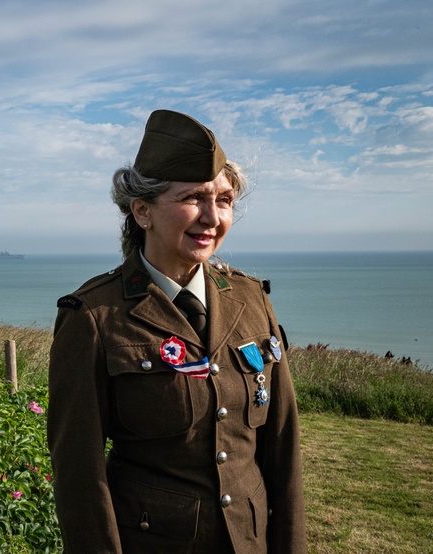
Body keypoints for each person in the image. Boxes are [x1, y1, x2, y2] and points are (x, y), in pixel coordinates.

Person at [47, 109, 306, 553]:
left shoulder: (251, 300)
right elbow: (80, 479)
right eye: (193, 198)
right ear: (142, 210)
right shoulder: (93, 316)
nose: (213, 217)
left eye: (223, 200)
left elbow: (283, 448)